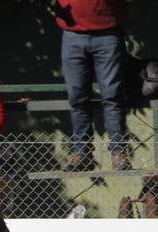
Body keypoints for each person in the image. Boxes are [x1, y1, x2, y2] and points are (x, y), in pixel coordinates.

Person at [53, 0, 130, 172]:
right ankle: (82, 153)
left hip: (108, 33)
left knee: (112, 95)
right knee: (77, 97)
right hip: (73, 35)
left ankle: (119, 152)